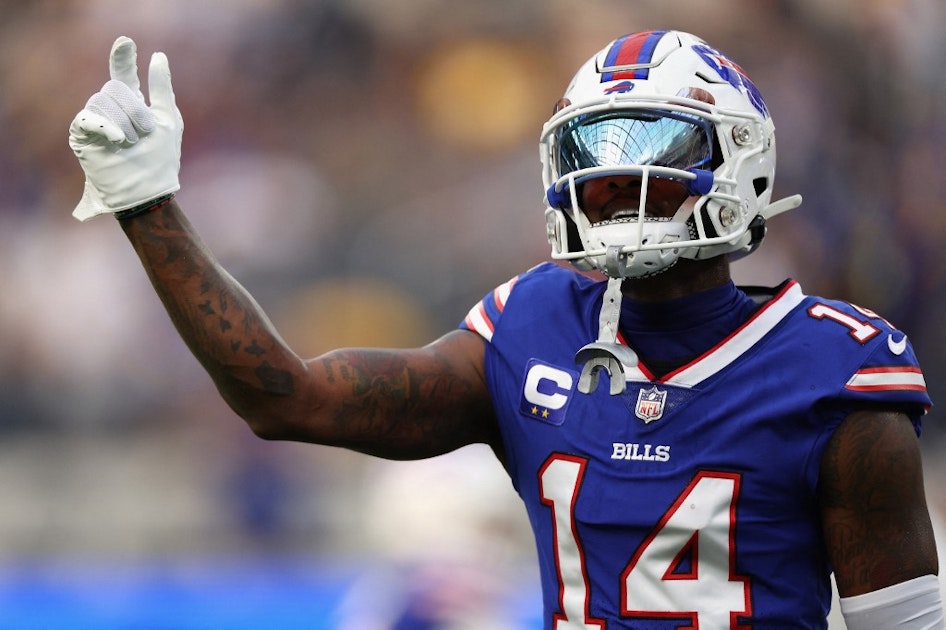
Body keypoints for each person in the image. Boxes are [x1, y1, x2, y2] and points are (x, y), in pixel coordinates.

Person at [68, 30, 943, 628]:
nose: (618, 189)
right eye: (594, 168)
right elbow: (285, 396)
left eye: (656, 161)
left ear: (740, 163)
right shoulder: (531, 328)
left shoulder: (834, 369)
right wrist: (148, 206)